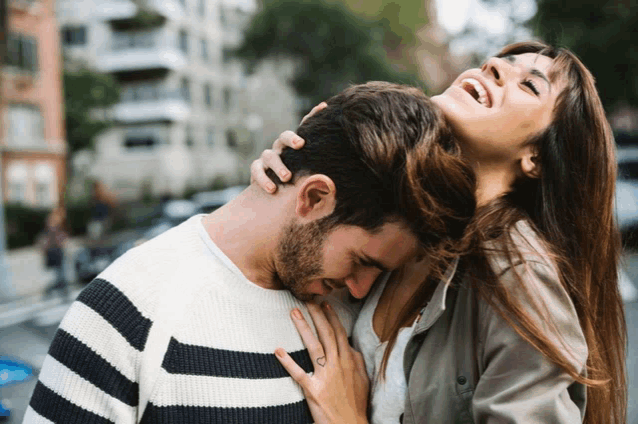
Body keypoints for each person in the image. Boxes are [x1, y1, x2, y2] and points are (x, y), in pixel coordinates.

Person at [24, 82, 476, 423]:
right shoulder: (125, 312)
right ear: (314, 198)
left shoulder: (351, 316)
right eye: (361, 262)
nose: (362, 289)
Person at [250, 41, 627, 423]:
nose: (493, 65)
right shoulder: (406, 225)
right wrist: (287, 178)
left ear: (536, 158)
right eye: (495, 62)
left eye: (529, 85)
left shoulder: (519, 274)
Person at [37, 206, 70, 299]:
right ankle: (54, 291)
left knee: (60, 275)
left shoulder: (55, 230)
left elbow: (62, 240)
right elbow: (44, 243)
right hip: (54, 254)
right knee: (57, 276)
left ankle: (62, 292)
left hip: (57, 253)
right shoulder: (51, 230)